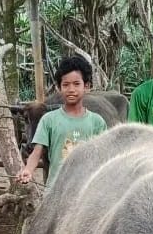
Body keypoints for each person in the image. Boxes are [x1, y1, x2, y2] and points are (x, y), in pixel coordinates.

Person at [17, 55, 108, 190]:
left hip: (86, 191)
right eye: (66, 85)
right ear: (59, 88)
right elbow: (36, 152)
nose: (71, 89)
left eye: (77, 84)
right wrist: (28, 170)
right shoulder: (48, 120)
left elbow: (104, 157)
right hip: (55, 190)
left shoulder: (97, 122)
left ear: (87, 86)